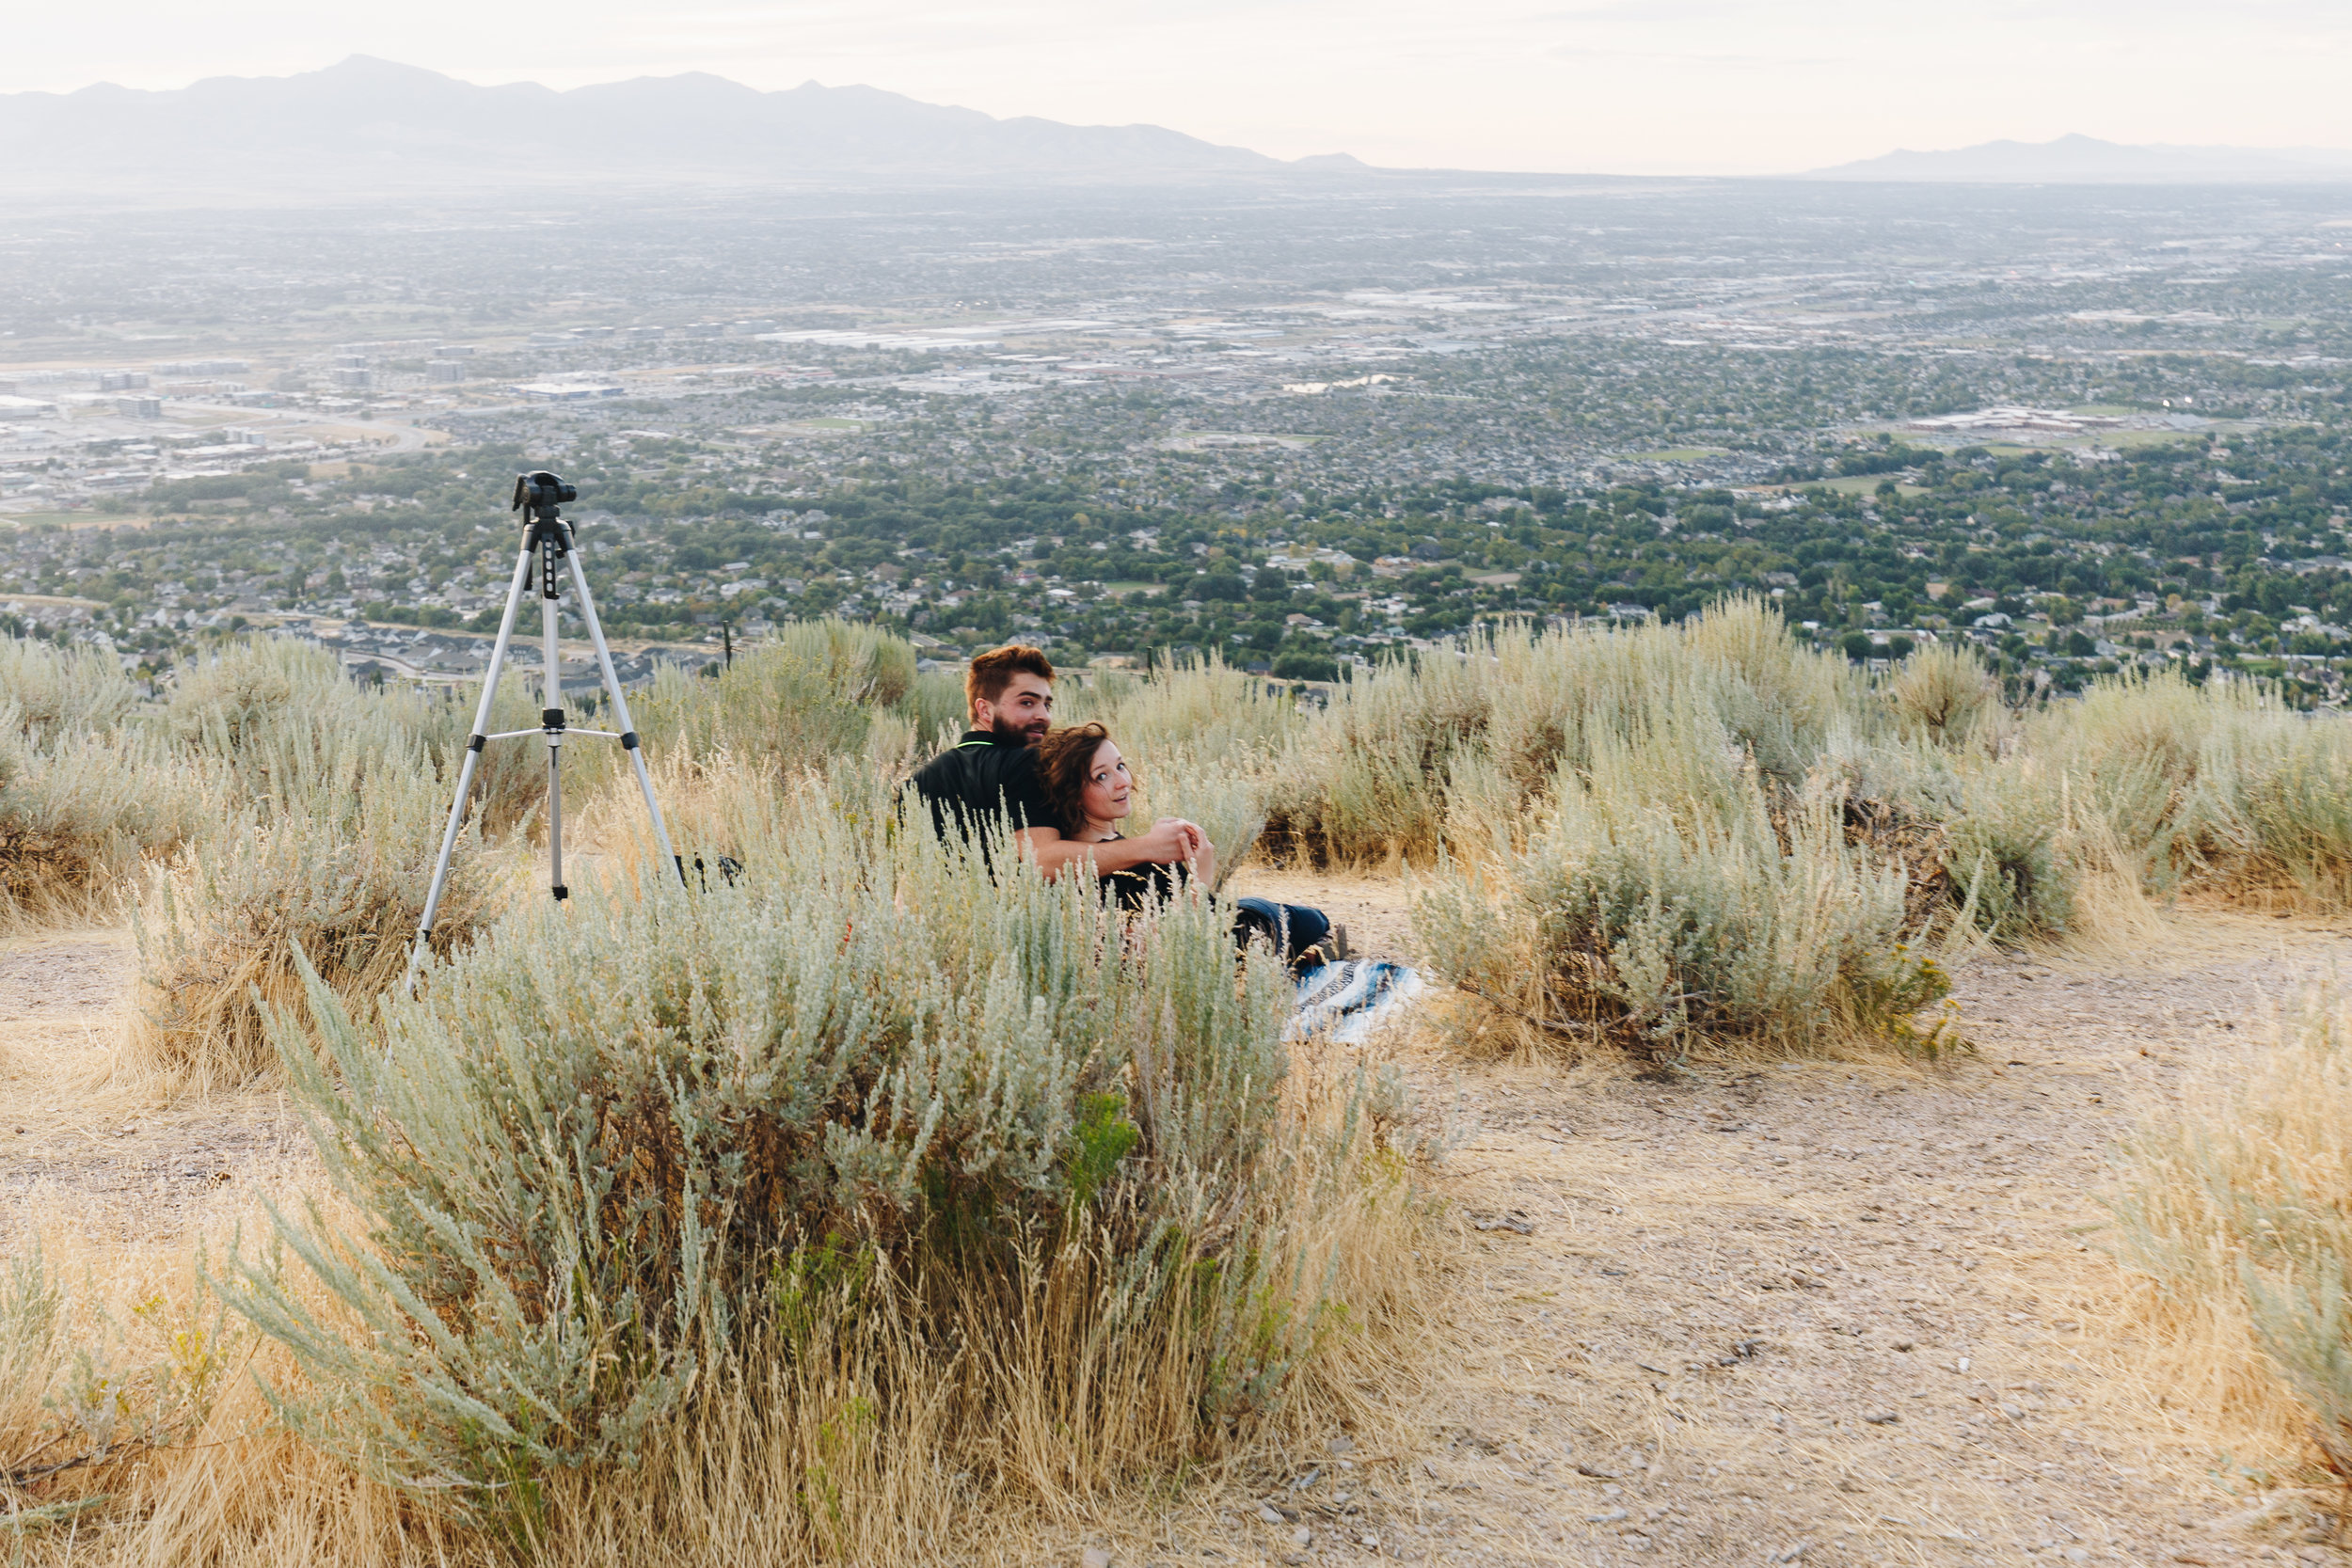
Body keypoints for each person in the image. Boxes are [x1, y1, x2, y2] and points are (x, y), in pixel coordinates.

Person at [1031, 720, 1333, 970]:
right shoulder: (1087, 868)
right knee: (1312, 921)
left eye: (1120, 766)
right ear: (1071, 793)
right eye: (1102, 776)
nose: (1122, 781)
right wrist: (1201, 876)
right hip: (1233, 938)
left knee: (1308, 918)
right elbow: (1157, 948)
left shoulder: (1114, 846)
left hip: (1226, 922)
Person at [909, 644, 1199, 879]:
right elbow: (1042, 861)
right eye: (1027, 702)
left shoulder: (916, 782)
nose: (1044, 716)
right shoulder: (1026, 762)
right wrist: (1147, 847)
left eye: (1047, 704)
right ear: (984, 709)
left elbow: (910, 884)